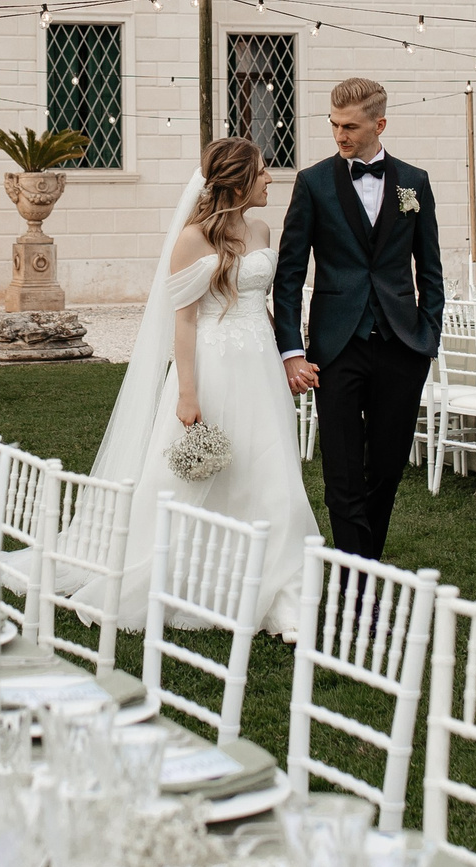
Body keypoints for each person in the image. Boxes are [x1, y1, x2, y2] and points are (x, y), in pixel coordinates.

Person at [93, 137, 319, 634]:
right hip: (215, 367)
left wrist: (287, 358)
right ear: (238, 181)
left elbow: (258, 303)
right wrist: (187, 392)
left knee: (274, 474)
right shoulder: (193, 240)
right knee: (202, 479)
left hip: (261, 366)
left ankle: (283, 596)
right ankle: (193, 581)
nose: (270, 178)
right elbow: (186, 321)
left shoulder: (260, 230)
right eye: (261, 171)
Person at [271, 77, 444, 560]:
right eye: (334, 124)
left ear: (379, 125)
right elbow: (289, 275)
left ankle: (366, 567)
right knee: (342, 475)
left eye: (350, 126)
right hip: (336, 348)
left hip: (401, 347)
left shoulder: (414, 182)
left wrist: (427, 337)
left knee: (386, 470)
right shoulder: (313, 183)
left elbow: (431, 270)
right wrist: (292, 350)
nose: (339, 135)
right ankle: (356, 584)